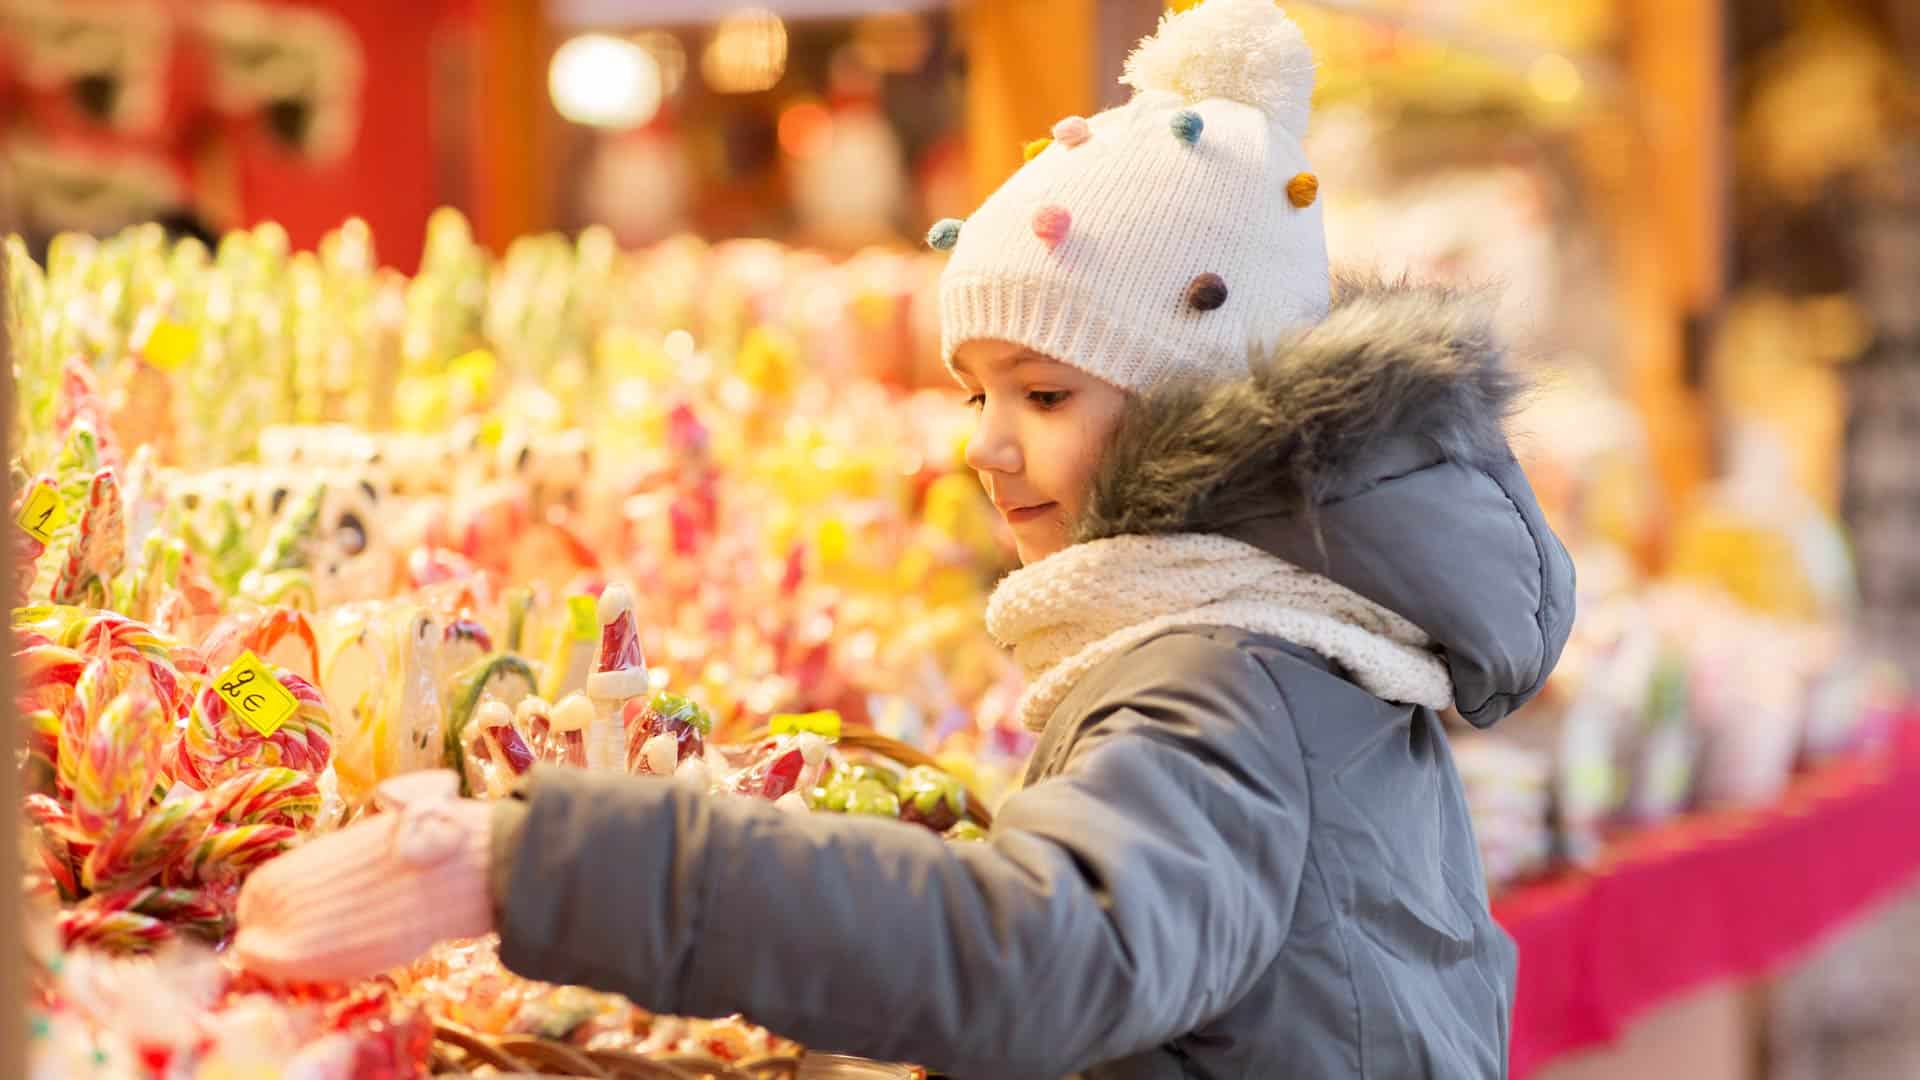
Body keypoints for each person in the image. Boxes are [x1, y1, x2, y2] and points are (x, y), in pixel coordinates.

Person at [232, 3, 1575, 1077]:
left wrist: (534, 859)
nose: (986, 446)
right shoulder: (1283, 622)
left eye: (1045, 395)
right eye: (973, 391)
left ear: (1206, 405)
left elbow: (1043, 958)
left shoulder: (1221, 674)